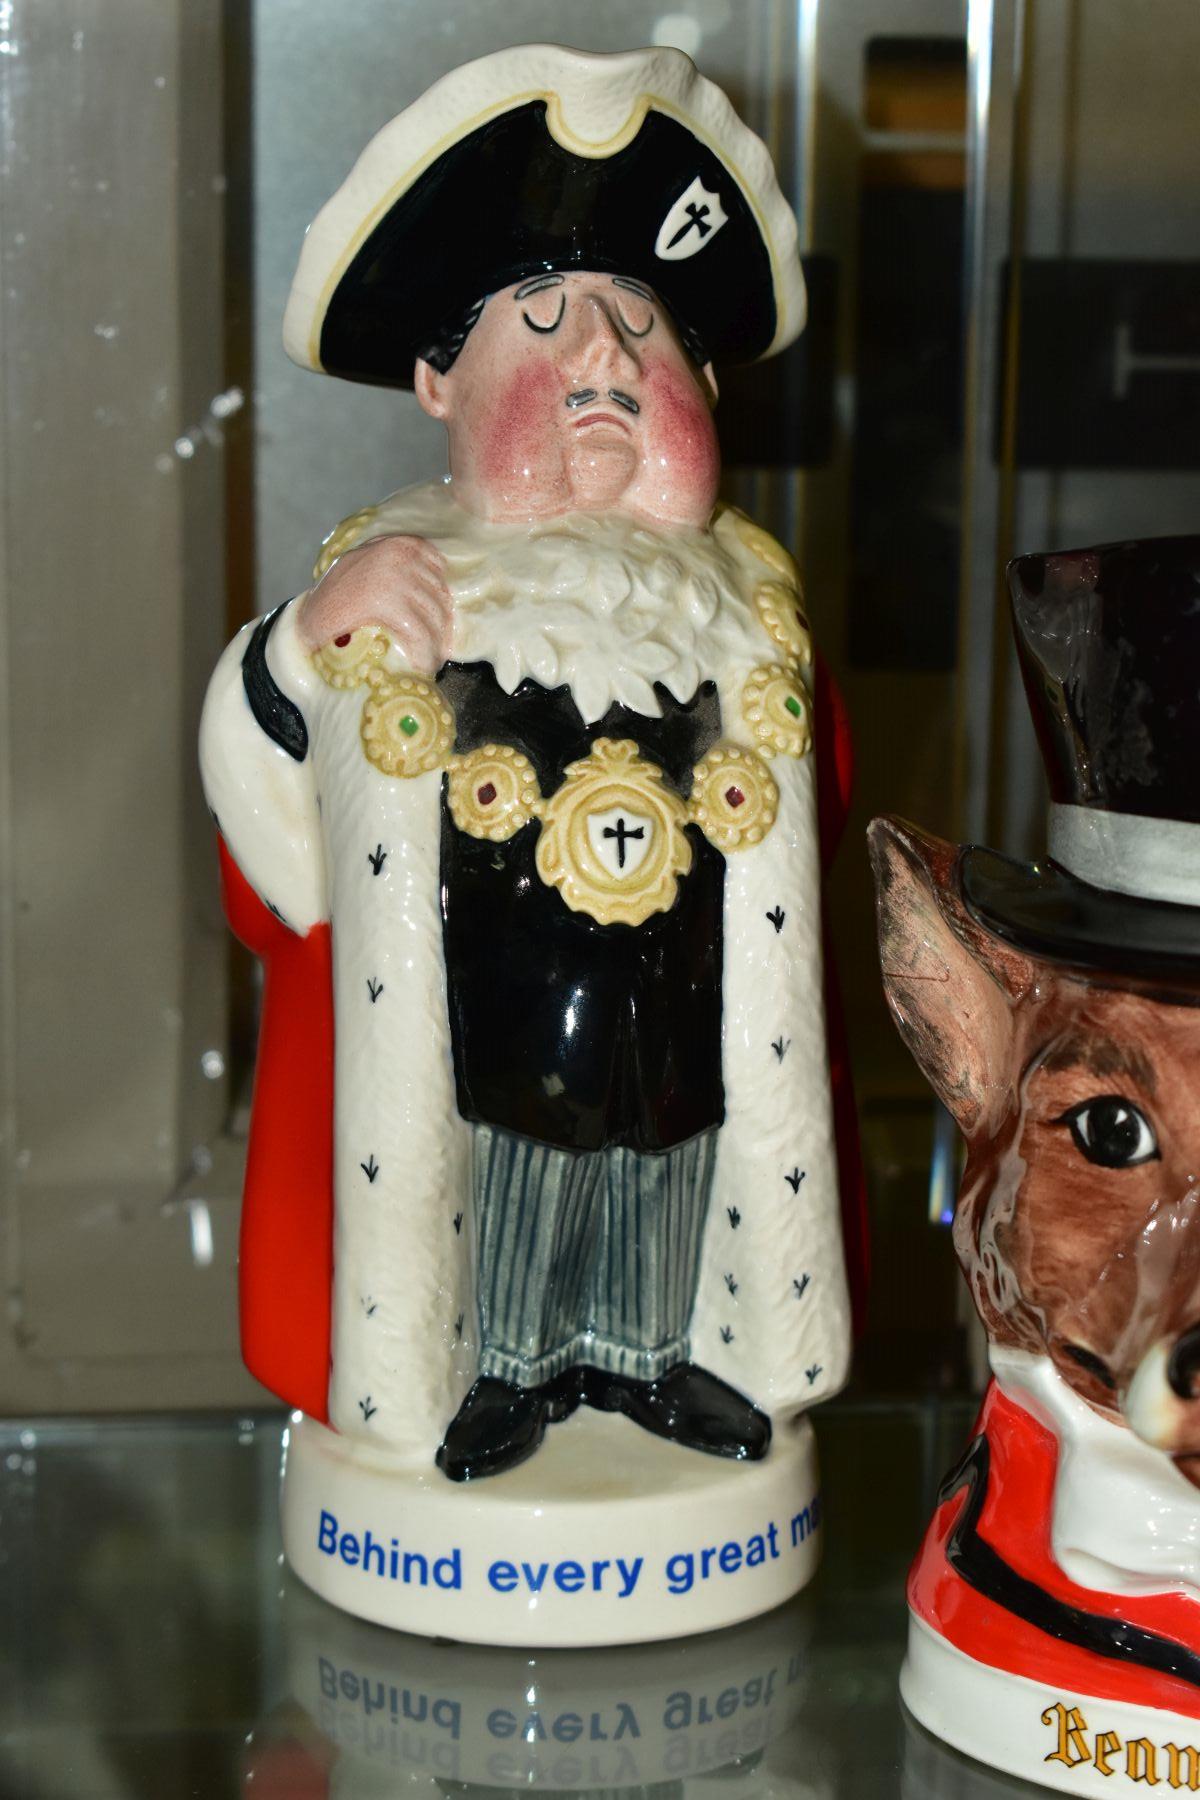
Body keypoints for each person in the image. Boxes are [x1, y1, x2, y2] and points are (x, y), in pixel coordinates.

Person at [201, 43, 850, 1482]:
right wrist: (302, 651)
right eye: (547, 323)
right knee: (520, 1169)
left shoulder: (753, 622)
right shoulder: (395, 595)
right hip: (490, 1024)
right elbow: (272, 868)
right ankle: (503, 1362)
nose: (607, 362)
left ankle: (650, 1347)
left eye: (642, 327)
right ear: (439, 381)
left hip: (677, 1021)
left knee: (660, 1161)